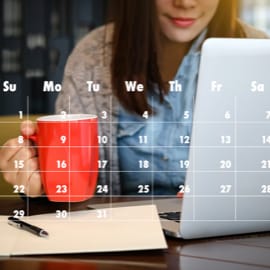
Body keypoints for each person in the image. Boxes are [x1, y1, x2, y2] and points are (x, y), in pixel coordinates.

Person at [0, 0, 268, 197]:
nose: (186, 3)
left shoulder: (259, 52)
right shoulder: (93, 56)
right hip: (118, 241)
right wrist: (41, 181)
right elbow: (72, 185)